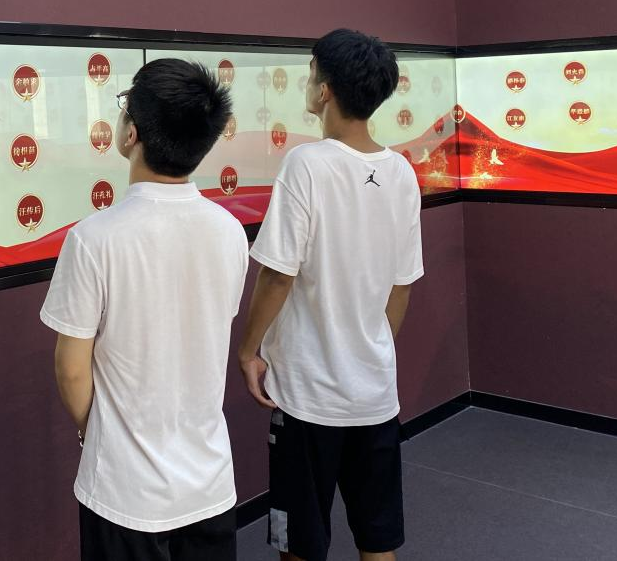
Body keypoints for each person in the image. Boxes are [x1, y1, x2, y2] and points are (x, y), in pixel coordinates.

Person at [41, 58, 249, 561]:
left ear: (131, 133)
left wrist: (97, 430)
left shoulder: (93, 238)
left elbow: (72, 369)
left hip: (123, 491)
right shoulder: (229, 230)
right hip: (209, 483)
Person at [238, 30, 423, 561]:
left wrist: (248, 350)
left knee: (299, 544)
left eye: (311, 72)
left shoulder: (307, 164)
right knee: (378, 540)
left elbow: (277, 275)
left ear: (324, 91)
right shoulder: (401, 171)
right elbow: (402, 284)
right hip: (374, 394)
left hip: (307, 397)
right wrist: (371, 348)